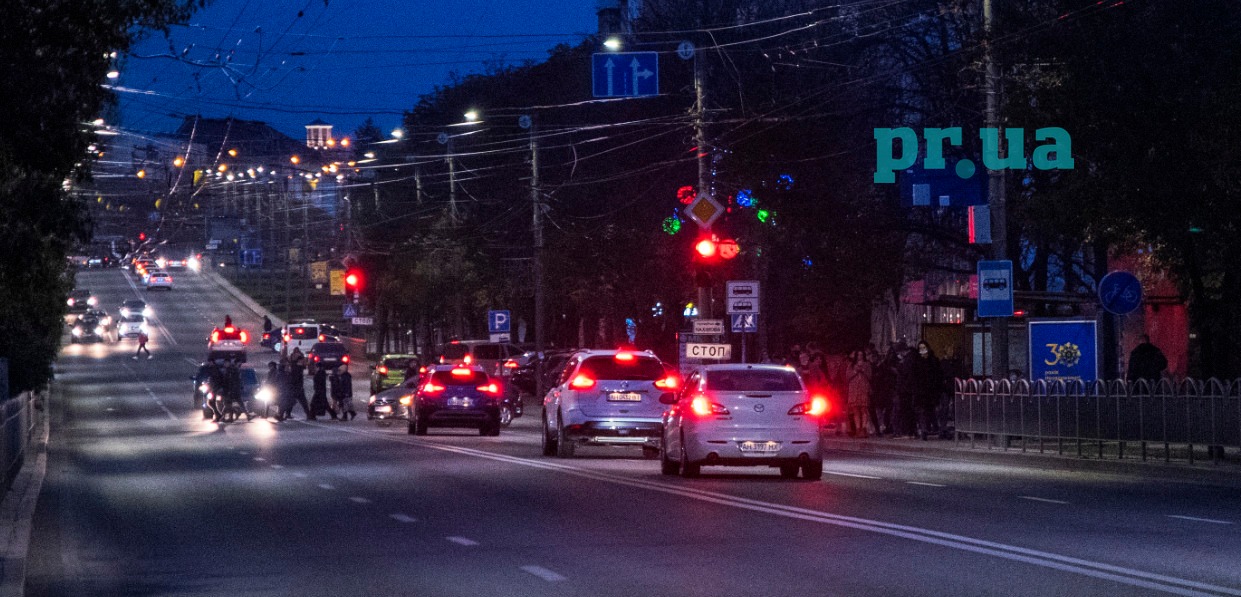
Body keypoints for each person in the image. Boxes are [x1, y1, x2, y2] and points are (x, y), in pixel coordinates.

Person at [911, 340, 944, 441]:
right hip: (921, 391)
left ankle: (934, 428)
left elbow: (938, 375)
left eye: (924, 348)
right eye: (920, 349)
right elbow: (914, 377)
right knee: (922, 411)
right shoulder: (917, 362)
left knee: (931, 411)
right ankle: (924, 430)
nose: (922, 351)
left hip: (931, 391)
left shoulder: (933, 361)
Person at [869, 346, 897, 436]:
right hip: (875, 391)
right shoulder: (872, 367)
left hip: (881, 391)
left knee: (880, 411)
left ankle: (881, 427)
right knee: (876, 411)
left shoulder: (882, 367)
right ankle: (878, 427)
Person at [846, 349, 873, 438]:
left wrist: (863, 370)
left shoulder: (867, 365)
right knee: (856, 410)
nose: (860, 357)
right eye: (858, 355)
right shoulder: (851, 365)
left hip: (863, 388)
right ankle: (858, 429)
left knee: (864, 409)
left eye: (861, 355)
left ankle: (864, 428)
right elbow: (847, 377)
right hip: (854, 389)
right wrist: (855, 371)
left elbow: (870, 376)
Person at [286, 351, 311, 420]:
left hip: (294, 387)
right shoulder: (297, 368)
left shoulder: (294, 366)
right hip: (297, 387)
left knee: (291, 401)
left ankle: (287, 414)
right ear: (299, 360)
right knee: (303, 402)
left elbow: (305, 365)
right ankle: (308, 414)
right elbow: (296, 378)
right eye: (302, 360)